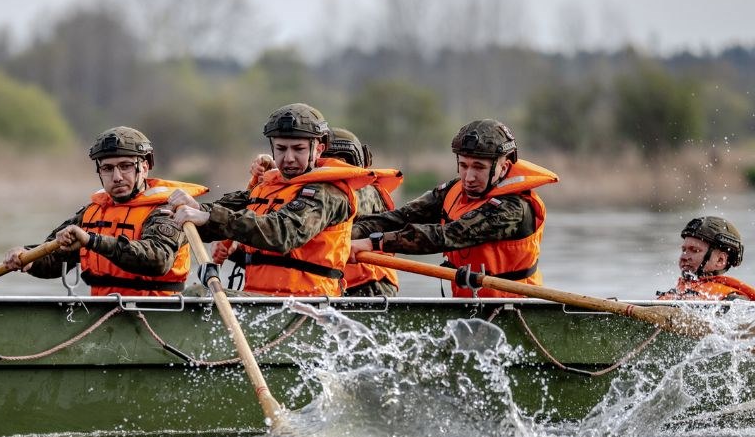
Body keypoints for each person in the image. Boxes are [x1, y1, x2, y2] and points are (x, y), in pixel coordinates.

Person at [168, 103, 393, 298]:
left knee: (197, 295)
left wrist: (208, 216)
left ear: (319, 149)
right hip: (260, 301)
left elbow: (282, 233)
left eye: (298, 149)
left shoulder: (328, 193)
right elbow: (221, 212)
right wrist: (195, 209)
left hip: (309, 305)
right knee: (199, 293)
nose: (289, 158)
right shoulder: (268, 186)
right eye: (281, 149)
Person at [349, 119, 558, 299]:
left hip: (517, 308)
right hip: (469, 304)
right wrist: (347, 236)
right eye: (464, 165)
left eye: (479, 167)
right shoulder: (453, 190)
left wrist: (373, 242)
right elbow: (400, 217)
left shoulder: (513, 208)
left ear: (503, 167)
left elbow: (447, 235)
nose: (468, 177)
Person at [1, 127, 208, 296]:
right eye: (107, 169)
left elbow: (156, 260)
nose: (116, 176)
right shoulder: (91, 213)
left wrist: (91, 241)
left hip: (158, 313)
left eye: (125, 166)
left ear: (144, 168)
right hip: (103, 312)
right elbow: (53, 260)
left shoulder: (168, 210)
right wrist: (27, 258)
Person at [326, 128, 401, 298]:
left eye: (342, 161)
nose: (336, 166)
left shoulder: (364, 192)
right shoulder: (315, 192)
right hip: (336, 283)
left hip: (369, 282)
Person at [658, 216, 755, 301]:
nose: (684, 257)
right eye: (684, 250)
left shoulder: (733, 301)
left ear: (720, 260)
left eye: (694, 250)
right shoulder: (677, 291)